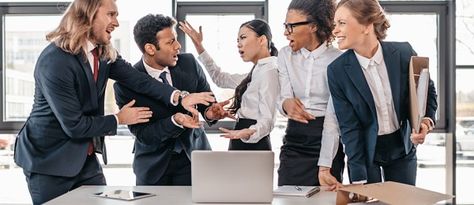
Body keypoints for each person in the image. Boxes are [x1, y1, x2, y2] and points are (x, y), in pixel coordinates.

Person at [13, 0, 214, 204]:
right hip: (48, 160)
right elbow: (74, 125)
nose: (116, 22)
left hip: (85, 159)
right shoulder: (55, 61)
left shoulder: (103, 53)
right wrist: (119, 118)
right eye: (111, 14)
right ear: (89, 14)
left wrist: (180, 96)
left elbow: (139, 80)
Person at [328, 0, 437, 185]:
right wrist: (358, 179)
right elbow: (349, 128)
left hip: (402, 146)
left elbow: (427, 91)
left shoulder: (403, 52)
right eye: (335, 24)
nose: (335, 30)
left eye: (342, 23)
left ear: (366, 25)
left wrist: (425, 121)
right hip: (365, 151)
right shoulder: (337, 71)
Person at [114, 14, 230, 186]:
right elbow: (144, 134)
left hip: (194, 159)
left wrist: (211, 112)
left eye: (175, 39)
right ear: (150, 48)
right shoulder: (126, 85)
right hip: (153, 166)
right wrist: (175, 121)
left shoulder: (189, 63)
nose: (178, 46)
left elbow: (206, 99)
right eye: (170, 42)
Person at [179, 19, 280, 150]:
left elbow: (268, 120)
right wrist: (199, 45)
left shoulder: (270, 71)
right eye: (237, 40)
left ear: (262, 40)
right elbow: (219, 78)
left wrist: (248, 132)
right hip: (241, 136)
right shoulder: (256, 72)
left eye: (243, 38)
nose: (239, 44)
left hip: (252, 141)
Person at [276, 0, 345, 187]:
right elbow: (283, 96)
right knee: (287, 197)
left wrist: (325, 164)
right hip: (294, 138)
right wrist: (285, 104)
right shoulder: (284, 55)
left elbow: (334, 119)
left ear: (314, 26)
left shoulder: (339, 60)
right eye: (285, 26)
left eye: (291, 26)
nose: (285, 32)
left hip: (328, 137)